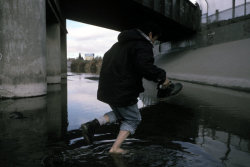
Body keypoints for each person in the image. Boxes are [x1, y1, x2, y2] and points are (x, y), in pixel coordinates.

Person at [81, 22, 172, 154]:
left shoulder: (117, 46)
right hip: (123, 91)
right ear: (150, 34)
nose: (153, 42)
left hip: (107, 89)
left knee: (121, 114)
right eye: (155, 39)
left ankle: (92, 125)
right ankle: (115, 149)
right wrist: (163, 78)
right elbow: (145, 67)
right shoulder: (143, 45)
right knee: (134, 119)